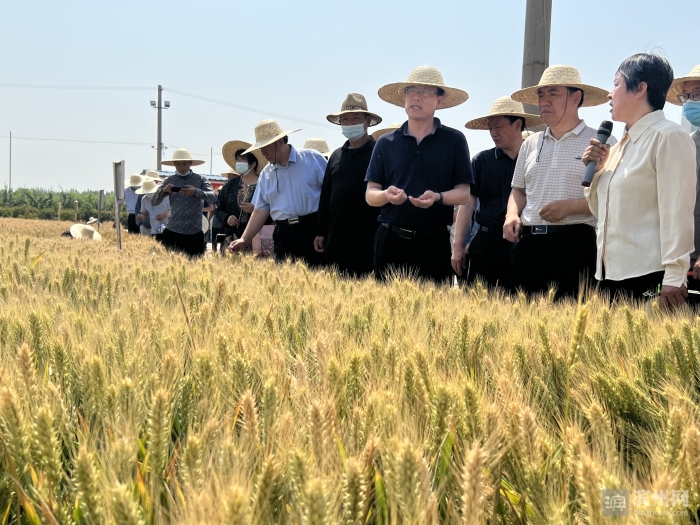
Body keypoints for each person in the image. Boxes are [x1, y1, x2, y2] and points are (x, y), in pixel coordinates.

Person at [583, 54, 696, 308]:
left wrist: (675, 275)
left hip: (649, 276)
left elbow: (677, 210)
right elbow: (599, 212)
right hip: (608, 275)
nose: (609, 95)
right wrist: (597, 173)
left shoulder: (668, 136)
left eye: (616, 84)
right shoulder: (615, 147)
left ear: (640, 88)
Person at [504, 65, 616, 299]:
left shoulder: (602, 142)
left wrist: (569, 207)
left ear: (576, 97)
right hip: (529, 244)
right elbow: (518, 190)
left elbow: (612, 197)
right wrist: (511, 215)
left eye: (553, 93)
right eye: (541, 94)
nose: (544, 101)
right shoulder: (530, 143)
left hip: (576, 244)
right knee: (522, 325)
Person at [365, 66, 473, 283]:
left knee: (431, 314)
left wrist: (438, 197)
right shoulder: (386, 142)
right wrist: (387, 194)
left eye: (425, 91)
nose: (416, 96)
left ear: (439, 100)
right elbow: (370, 194)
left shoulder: (454, 141)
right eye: (411, 90)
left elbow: (464, 194)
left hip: (433, 243)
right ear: (404, 97)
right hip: (390, 241)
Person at [453, 97, 543, 288]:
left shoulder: (535, 161)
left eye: (499, 127)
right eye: (490, 128)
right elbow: (467, 205)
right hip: (486, 243)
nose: (493, 133)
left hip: (525, 242)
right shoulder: (481, 161)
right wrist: (458, 246)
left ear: (517, 124)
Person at [229, 120, 327, 266]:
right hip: (283, 234)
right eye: (260, 148)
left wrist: (325, 231)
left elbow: (330, 195)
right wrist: (244, 239)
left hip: (313, 231)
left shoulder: (312, 159)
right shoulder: (265, 174)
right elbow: (260, 210)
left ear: (280, 141)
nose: (263, 153)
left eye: (266, 147)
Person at [314, 93, 383, 277]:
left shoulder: (378, 153)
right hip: (337, 238)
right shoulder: (336, 156)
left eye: (355, 119)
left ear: (367, 121)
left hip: (368, 236)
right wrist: (321, 231)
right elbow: (325, 197)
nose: (350, 123)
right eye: (345, 119)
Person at [151, 148, 217, 257]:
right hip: (173, 231)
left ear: (190, 163)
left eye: (184, 164)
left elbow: (213, 197)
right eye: (178, 164)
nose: (181, 167)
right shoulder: (169, 180)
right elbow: (154, 202)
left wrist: (196, 192)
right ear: (174, 165)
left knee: (195, 269)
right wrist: (163, 191)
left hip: (194, 232)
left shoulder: (200, 179)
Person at [667, 65, 700, 282]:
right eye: (685, 96)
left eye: (696, 94)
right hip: (687, 262)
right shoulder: (689, 142)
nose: (688, 103)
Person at [217, 140, 268, 252]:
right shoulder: (230, 185)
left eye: (242, 159)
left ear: (253, 163)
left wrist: (256, 210)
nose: (238, 162)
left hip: (257, 240)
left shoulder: (265, 184)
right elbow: (218, 208)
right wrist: (227, 218)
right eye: (237, 159)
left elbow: (274, 210)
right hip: (231, 239)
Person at [136, 178, 170, 242]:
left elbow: (174, 210)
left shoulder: (166, 196)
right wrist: (142, 217)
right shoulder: (144, 199)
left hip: (167, 227)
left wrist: (164, 215)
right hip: (155, 228)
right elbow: (145, 214)